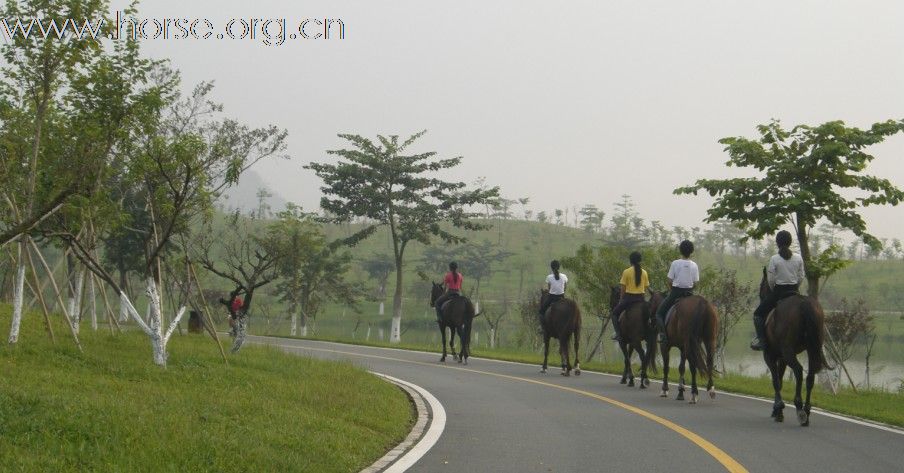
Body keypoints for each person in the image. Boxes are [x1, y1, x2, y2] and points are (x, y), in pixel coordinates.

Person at [750, 230, 805, 351]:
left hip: (779, 291)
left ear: (777, 243)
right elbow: (801, 276)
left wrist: (774, 289)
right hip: (794, 290)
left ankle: (762, 341)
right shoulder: (798, 257)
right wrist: (795, 286)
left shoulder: (774, 259)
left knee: (757, 315)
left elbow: (770, 279)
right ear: (790, 242)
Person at [655, 240, 699, 344]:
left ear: (680, 250)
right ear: (691, 251)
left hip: (676, 292)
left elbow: (670, 281)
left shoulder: (675, 263)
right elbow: (696, 283)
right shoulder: (694, 265)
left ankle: (663, 336)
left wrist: (672, 291)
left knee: (659, 314)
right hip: (689, 294)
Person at [610, 251, 650, 341]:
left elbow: (623, 289)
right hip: (641, 299)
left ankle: (618, 334)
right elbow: (646, 288)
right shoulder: (644, 272)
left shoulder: (626, 272)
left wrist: (621, 300)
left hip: (629, 299)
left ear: (630, 261)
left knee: (614, 314)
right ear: (640, 261)